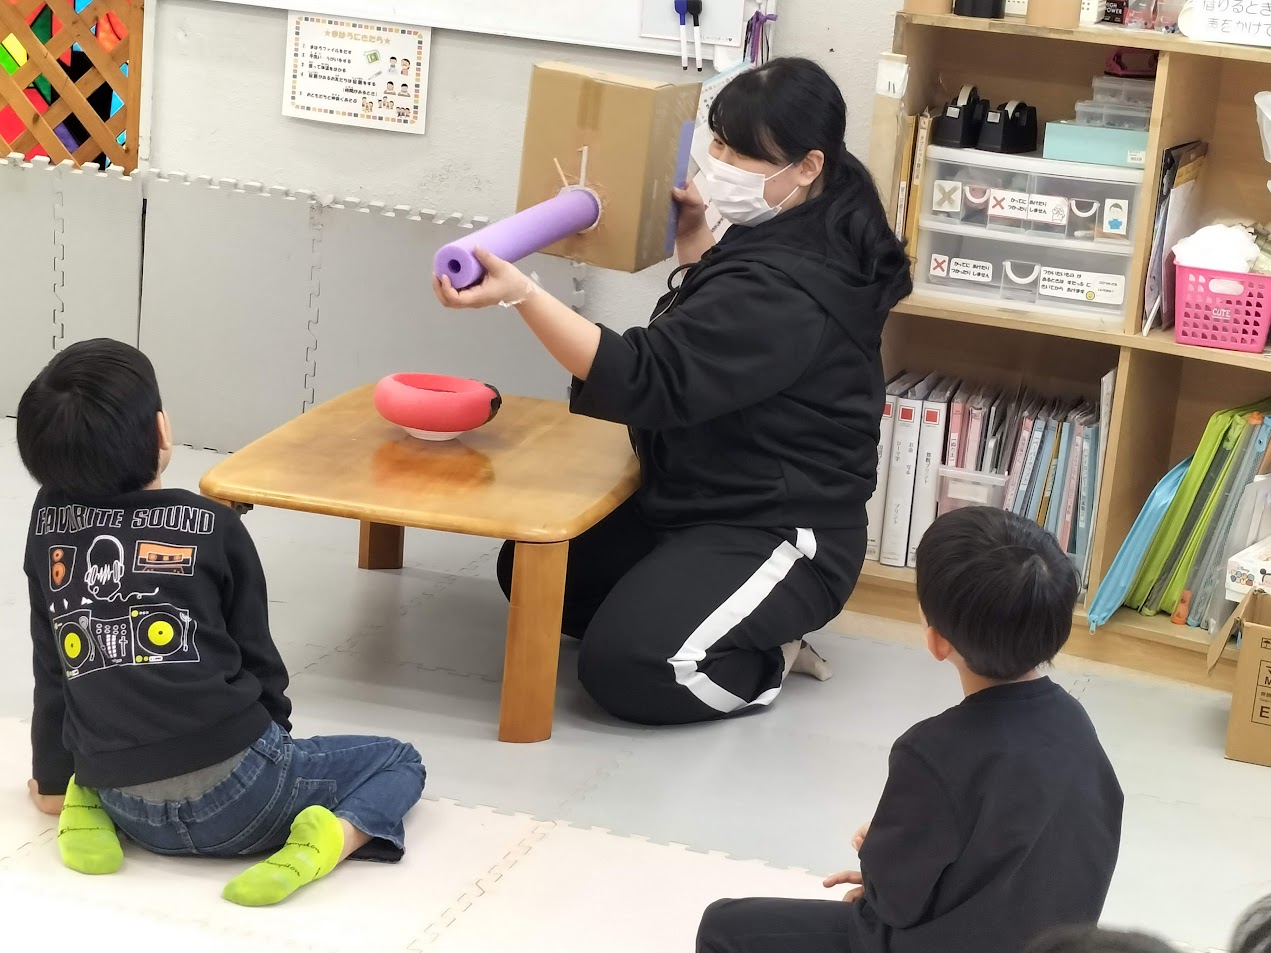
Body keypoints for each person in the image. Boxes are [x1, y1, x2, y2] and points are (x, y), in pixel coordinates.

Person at [433, 57, 911, 726]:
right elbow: (710, 345)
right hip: (699, 496)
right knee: (537, 574)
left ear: (807, 166)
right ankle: (697, 608)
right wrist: (696, 244)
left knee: (631, 667)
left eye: (740, 153)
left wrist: (522, 295)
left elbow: (646, 377)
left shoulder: (794, 285)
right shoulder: (795, 228)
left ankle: (771, 656)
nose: (720, 163)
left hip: (781, 529)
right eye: (719, 143)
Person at [19, 339, 426, 906]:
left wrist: (52, 780)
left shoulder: (48, 526)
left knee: (96, 724)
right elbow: (258, 660)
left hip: (123, 800)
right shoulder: (212, 526)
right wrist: (274, 755)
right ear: (161, 431)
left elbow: (52, 663)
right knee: (400, 760)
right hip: (244, 797)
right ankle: (329, 842)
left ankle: (84, 812)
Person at [694, 507, 1125, 953]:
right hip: (1054, 947)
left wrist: (879, 858)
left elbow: (894, 904)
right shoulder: (1078, 725)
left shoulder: (933, 752)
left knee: (723, 925)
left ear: (937, 640)